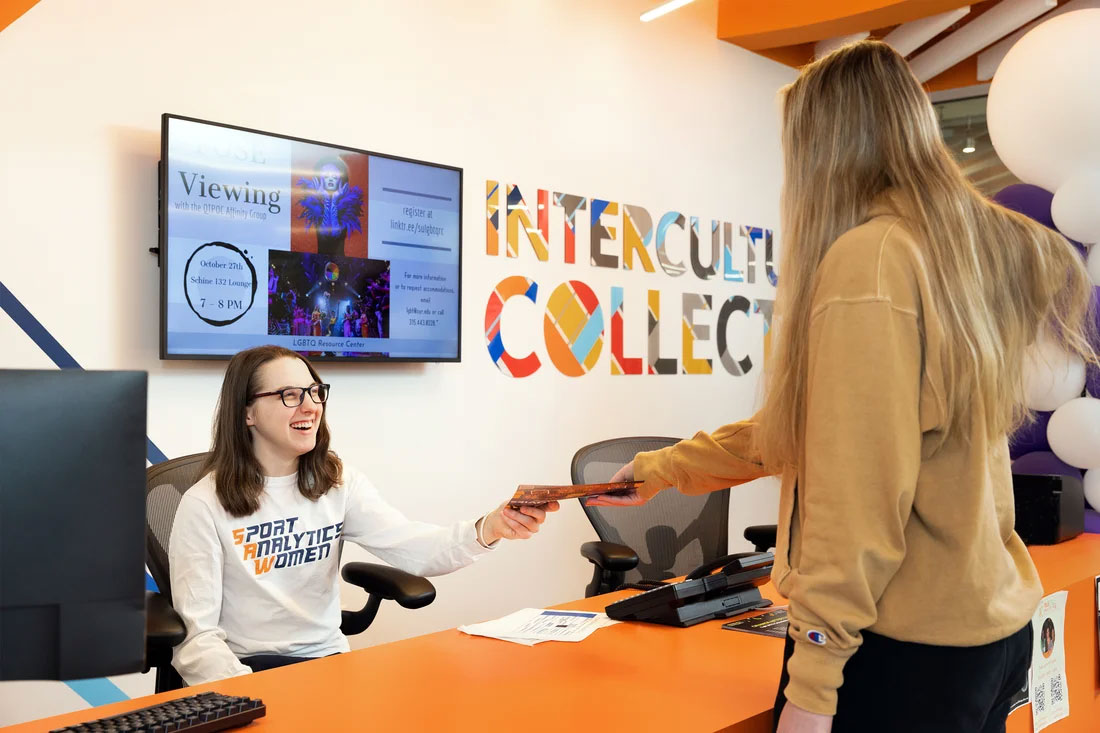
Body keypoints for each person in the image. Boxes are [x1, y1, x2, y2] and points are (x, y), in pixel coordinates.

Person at [590, 41, 1097, 733]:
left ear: (825, 148)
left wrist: (815, 678)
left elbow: (859, 492)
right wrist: (662, 469)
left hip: (903, 651)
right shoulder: (949, 258)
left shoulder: (873, 261)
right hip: (984, 636)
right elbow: (811, 426)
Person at [169, 345, 558, 685]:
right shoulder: (204, 504)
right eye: (289, 395)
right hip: (248, 668)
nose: (310, 405)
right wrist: (250, 694)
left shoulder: (337, 483)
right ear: (248, 413)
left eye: (314, 391)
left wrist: (490, 527)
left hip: (326, 662)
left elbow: (415, 549)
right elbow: (197, 640)